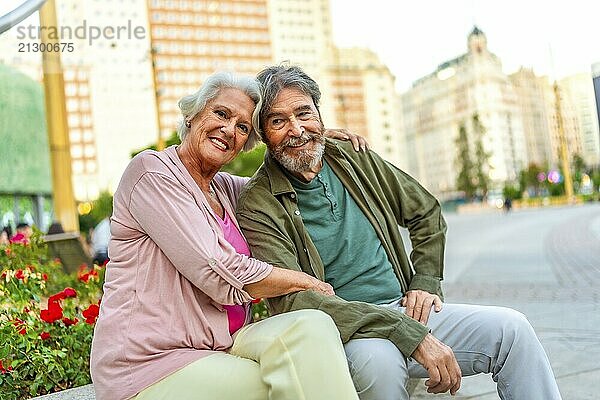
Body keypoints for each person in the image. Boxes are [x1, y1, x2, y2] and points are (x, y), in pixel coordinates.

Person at [235, 65, 562, 400]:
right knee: (383, 367)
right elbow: (295, 299)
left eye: (304, 113)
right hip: (347, 330)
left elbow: (426, 210)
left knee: (513, 330)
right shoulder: (258, 203)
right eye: (278, 121)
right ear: (262, 134)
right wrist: (405, 331)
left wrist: (425, 282)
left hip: (406, 309)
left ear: (320, 115)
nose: (297, 129)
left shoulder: (352, 156)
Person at [90, 71, 365, 400]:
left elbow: (280, 184)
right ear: (193, 115)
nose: (229, 129)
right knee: (292, 381)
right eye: (221, 113)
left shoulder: (229, 190)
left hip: (224, 344)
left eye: (243, 127)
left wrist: (306, 139)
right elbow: (215, 268)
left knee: (312, 326)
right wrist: (304, 281)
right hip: (150, 363)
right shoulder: (152, 173)